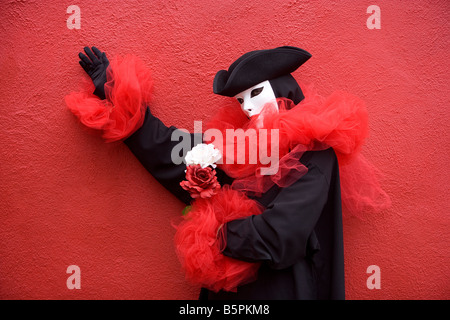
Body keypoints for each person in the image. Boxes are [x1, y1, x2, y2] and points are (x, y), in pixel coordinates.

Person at [66, 46, 389, 300]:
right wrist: (115, 95)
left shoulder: (316, 152)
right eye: (241, 100)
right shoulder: (236, 146)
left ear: (282, 91)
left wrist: (215, 236)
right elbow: (171, 153)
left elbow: (282, 236)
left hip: (281, 288)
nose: (248, 108)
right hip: (228, 294)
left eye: (255, 94)